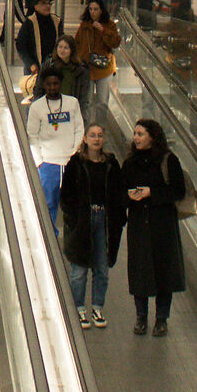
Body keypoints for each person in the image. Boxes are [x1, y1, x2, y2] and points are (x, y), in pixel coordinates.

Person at [120, 116, 188, 336]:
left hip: (163, 226)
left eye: (141, 134)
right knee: (140, 271)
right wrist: (129, 196)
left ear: (152, 137)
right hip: (139, 224)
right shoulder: (130, 163)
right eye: (135, 134)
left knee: (163, 272)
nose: (136, 138)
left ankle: (161, 319)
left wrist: (152, 193)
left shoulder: (168, 160)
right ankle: (141, 316)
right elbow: (119, 191)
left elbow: (178, 191)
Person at [61, 121, 125, 327]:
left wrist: (119, 218)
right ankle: (78, 308)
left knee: (102, 268)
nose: (97, 139)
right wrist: (73, 220)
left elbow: (119, 192)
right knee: (79, 271)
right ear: (85, 139)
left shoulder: (111, 164)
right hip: (82, 221)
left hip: (104, 220)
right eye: (93, 135)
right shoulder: (76, 164)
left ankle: (97, 307)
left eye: (100, 135)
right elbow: (66, 195)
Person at [25, 68, 79, 226]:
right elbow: (32, 135)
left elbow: (79, 129)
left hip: (70, 163)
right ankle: (49, 237)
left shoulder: (72, 103)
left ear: (60, 84)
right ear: (44, 85)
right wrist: (39, 161)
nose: (52, 87)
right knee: (48, 205)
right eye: (49, 84)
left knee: (74, 205)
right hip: (48, 164)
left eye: (55, 83)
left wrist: (74, 153)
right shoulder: (37, 107)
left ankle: (72, 237)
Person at [74, 0, 121, 113]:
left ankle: (101, 122)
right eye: (90, 9)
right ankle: (88, 122)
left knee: (102, 101)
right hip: (88, 67)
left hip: (104, 68)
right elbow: (77, 43)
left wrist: (103, 30)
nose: (93, 12)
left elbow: (115, 42)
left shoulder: (109, 25)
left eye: (95, 9)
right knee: (87, 101)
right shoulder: (84, 26)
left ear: (101, 10)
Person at [16, 0, 58, 85]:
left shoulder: (56, 21)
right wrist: (31, 64)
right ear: (35, 6)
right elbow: (21, 46)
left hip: (52, 69)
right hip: (34, 70)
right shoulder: (29, 23)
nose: (47, 6)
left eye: (49, 3)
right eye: (43, 3)